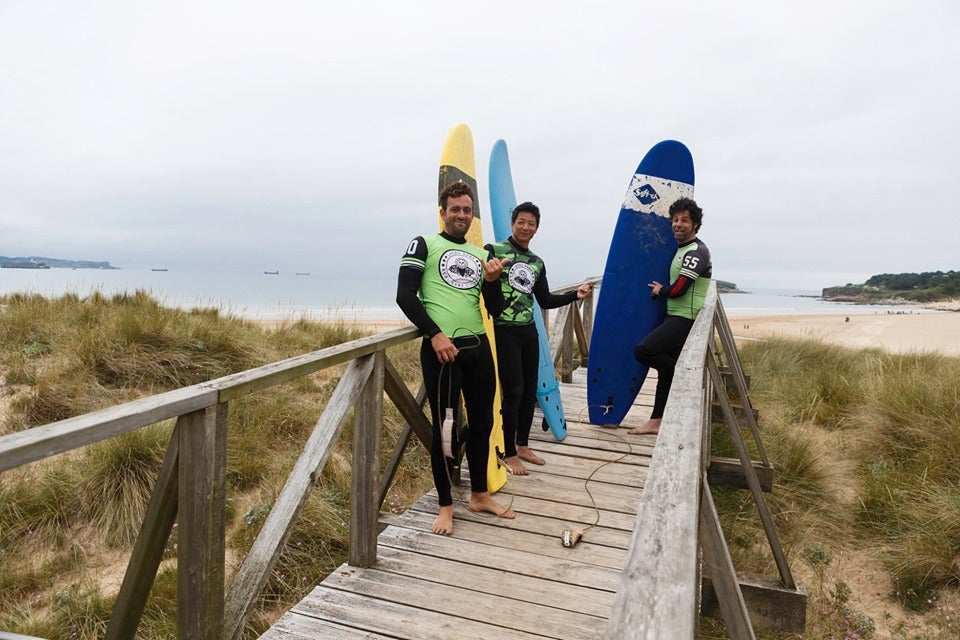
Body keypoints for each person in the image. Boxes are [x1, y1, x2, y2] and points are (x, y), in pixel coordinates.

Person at [396, 180, 516, 535]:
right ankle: (445, 506)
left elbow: (493, 309)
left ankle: (479, 494)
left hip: (478, 349)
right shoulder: (425, 244)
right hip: (443, 353)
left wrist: (493, 281)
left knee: (483, 424)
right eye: (455, 209)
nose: (461, 215)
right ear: (443, 212)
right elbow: (405, 295)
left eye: (467, 209)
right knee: (445, 432)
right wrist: (434, 334)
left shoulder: (482, 256)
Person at [485, 202, 592, 475]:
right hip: (505, 330)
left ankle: (522, 444)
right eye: (521, 221)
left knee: (529, 390)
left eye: (531, 224)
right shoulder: (494, 251)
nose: (526, 227)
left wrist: (574, 296)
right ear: (513, 223)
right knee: (513, 391)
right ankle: (508, 453)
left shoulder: (536, 262)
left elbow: (544, 299)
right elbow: (485, 291)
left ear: (536, 228)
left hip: (529, 332)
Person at [629, 197, 712, 436]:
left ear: (695, 224)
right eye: (675, 220)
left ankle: (681, 377)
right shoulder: (682, 250)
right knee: (664, 371)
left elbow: (680, 289)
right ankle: (656, 422)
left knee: (644, 350)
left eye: (684, 220)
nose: (678, 224)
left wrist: (661, 290)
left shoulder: (697, 252)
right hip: (674, 315)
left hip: (686, 318)